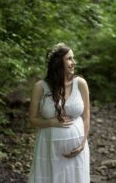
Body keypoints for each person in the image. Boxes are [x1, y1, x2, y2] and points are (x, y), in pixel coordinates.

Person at [28, 43, 90, 183]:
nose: (73, 62)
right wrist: (51, 122)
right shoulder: (40, 87)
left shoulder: (80, 83)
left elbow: (86, 116)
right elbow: (32, 119)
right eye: (69, 58)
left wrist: (82, 143)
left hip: (76, 152)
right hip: (48, 148)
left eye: (73, 58)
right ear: (58, 62)